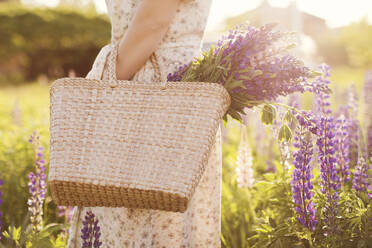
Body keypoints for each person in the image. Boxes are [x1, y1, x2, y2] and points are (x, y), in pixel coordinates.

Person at [67, 0, 222, 247]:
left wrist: (100, 92)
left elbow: (152, 24)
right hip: (164, 89)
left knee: (146, 218)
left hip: (152, 89)